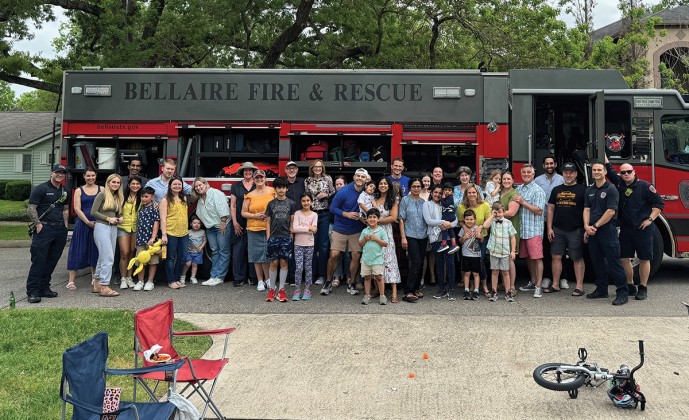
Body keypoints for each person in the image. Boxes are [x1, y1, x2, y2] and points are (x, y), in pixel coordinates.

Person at [605, 158, 664, 300]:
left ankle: (643, 287)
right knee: (624, 257)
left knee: (644, 258)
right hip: (626, 228)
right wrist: (603, 151)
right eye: (623, 172)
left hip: (643, 229)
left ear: (634, 172)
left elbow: (659, 203)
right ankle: (630, 284)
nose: (626, 174)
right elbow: (609, 168)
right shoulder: (619, 183)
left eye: (629, 172)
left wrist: (650, 220)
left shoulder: (645, 186)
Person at [584, 161, 628, 306]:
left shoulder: (611, 189)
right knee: (597, 261)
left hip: (607, 230)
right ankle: (602, 289)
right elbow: (587, 209)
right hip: (592, 231)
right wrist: (586, 226)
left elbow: (611, 211)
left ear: (605, 172)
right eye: (594, 170)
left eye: (599, 170)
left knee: (614, 261)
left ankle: (622, 292)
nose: (596, 172)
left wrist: (595, 226)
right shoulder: (589, 190)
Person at [26, 164, 70, 303]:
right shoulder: (40, 189)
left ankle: (44, 288)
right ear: (51, 173)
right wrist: (38, 224)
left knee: (51, 261)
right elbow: (31, 208)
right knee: (39, 261)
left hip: (60, 230)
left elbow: (65, 209)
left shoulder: (65, 190)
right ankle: (33, 291)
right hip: (44, 229)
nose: (60, 175)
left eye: (62, 173)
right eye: (57, 172)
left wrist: (65, 226)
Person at [324, 168, 368, 296]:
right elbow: (332, 207)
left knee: (356, 255)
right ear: (354, 177)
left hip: (357, 229)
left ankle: (352, 282)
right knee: (334, 254)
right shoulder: (344, 191)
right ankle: (328, 281)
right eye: (358, 176)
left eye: (363, 177)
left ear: (366, 179)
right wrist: (346, 214)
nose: (360, 179)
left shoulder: (367, 192)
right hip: (340, 227)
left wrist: (364, 218)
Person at [545, 162, 586, 296]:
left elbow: (587, 210)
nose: (568, 175)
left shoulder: (582, 190)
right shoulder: (556, 190)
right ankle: (555, 284)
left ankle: (579, 286)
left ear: (576, 174)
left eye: (571, 172)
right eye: (565, 172)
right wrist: (549, 228)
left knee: (577, 258)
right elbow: (550, 209)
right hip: (558, 229)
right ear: (562, 174)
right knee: (556, 256)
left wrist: (585, 227)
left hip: (576, 229)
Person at [515, 164, 547, 298]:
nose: (526, 174)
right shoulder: (519, 189)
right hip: (523, 231)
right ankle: (533, 282)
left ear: (533, 174)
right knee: (528, 258)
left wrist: (523, 202)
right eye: (524, 172)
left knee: (537, 258)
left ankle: (539, 286)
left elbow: (539, 211)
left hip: (534, 230)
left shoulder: (538, 190)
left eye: (529, 172)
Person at [193, 177, 231, 287]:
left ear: (206, 184)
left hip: (222, 226)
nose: (199, 188)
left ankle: (220, 277)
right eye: (196, 186)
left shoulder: (215, 193)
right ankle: (213, 276)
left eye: (200, 185)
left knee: (223, 251)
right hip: (211, 228)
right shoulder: (200, 200)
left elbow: (223, 207)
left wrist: (223, 222)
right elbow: (200, 214)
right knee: (215, 251)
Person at [91, 173, 124, 297]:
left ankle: (97, 283)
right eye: (113, 182)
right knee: (109, 258)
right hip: (102, 227)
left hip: (113, 228)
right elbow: (93, 212)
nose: (115, 184)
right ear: (108, 182)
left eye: (118, 183)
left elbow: (118, 213)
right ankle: (105, 286)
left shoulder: (118, 197)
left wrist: (119, 218)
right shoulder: (102, 194)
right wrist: (108, 218)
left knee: (103, 256)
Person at [66, 167, 99, 291]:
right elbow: (77, 209)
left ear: (96, 176)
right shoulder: (79, 190)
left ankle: (94, 278)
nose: (90, 178)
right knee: (77, 249)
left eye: (93, 176)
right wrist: (87, 222)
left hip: (97, 224)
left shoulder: (102, 189)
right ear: (84, 177)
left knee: (95, 250)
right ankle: (71, 281)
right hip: (82, 224)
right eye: (88, 176)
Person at [241, 169, 275, 291]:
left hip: (269, 227)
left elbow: (277, 206)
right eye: (257, 178)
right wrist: (255, 216)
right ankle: (260, 281)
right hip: (253, 228)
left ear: (265, 178)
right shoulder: (250, 195)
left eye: (262, 177)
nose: (260, 180)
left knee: (267, 255)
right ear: (254, 180)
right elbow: (243, 212)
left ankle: (268, 279)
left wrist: (269, 215)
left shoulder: (272, 192)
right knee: (256, 256)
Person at [423, 184, 458, 300]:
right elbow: (428, 221)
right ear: (431, 193)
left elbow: (454, 219)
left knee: (450, 263)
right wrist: (443, 222)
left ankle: (451, 288)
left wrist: (449, 224)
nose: (437, 194)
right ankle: (441, 288)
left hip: (447, 237)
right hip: (435, 238)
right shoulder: (427, 204)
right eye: (435, 192)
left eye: (439, 192)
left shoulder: (446, 203)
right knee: (439, 263)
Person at [534, 155, 564, 288]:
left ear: (555, 164)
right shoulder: (537, 180)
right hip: (542, 220)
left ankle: (563, 278)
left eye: (551, 163)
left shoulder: (562, 179)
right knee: (545, 249)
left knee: (560, 249)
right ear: (543, 166)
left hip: (559, 219)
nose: (549, 166)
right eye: (547, 164)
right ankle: (546, 277)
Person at [304, 159, 335, 285]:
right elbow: (306, 196)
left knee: (323, 245)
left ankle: (322, 274)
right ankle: (311, 274)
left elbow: (333, 193)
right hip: (311, 214)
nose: (318, 169)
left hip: (324, 214)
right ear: (312, 168)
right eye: (315, 167)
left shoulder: (328, 179)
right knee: (312, 244)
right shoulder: (307, 180)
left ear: (322, 168)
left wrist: (325, 195)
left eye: (320, 167)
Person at [264, 176, 295, 302]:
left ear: (286, 189)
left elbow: (292, 219)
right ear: (275, 189)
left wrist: (291, 234)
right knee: (273, 263)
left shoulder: (291, 203)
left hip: (286, 237)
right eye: (278, 188)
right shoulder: (271, 204)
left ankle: (281, 290)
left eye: (283, 187)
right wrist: (268, 236)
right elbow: (267, 222)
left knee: (284, 263)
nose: (281, 190)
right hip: (274, 237)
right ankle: (272, 289)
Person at [457, 185, 491, 296]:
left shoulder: (485, 205)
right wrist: (466, 228)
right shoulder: (461, 206)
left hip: (480, 236)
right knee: (469, 263)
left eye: (474, 192)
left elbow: (488, 221)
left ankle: (484, 285)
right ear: (466, 194)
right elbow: (461, 221)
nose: (472, 195)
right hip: (467, 237)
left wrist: (480, 229)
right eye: (469, 193)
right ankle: (471, 286)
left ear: (477, 194)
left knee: (479, 261)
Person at [399, 178, 428, 303]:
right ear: (410, 187)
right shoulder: (405, 200)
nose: (416, 188)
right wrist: (403, 237)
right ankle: (408, 291)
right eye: (414, 186)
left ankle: (416, 289)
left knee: (421, 263)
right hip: (410, 235)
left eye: (418, 186)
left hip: (423, 235)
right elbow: (401, 219)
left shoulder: (424, 202)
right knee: (415, 262)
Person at [373, 177, 401, 303]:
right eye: (381, 183)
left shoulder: (393, 200)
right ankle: (378, 289)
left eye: (385, 183)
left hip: (386, 232)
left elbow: (393, 217)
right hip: (374, 232)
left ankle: (394, 292)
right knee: (376, 259)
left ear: (389, 186)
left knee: (390, 260)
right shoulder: (374, 199)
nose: (383, 185)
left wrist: (377, 221)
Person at [230, 162, 258, 286]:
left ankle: (253, 277)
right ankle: (239, 278)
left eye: (250, 170)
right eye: (245, 170)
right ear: (242, 172)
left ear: (253, 172)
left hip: (254, 222)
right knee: (238, 252)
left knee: (253, 250)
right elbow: (233, 205)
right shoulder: (236, 186)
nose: (248, 172)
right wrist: (235, 222)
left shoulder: (258, 184)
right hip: (240, 223)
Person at [483, 202, 517, 302]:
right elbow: (485, 226)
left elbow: (513, 237)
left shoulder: (508, 223)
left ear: (504, 212)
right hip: (494, 251)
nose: (498, 215)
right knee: (494, 271)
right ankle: (494, 292)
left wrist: (513, 251)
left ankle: (508, 292)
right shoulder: (492, 221)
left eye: (500, 212)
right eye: (496, 213)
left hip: (505, 251)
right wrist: (491, 215)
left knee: (505, 272)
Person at [160, 175, 189, 290]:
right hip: (171, 232)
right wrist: (164, 234)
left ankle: (177, 279)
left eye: (179, 184)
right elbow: (163, 218)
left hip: (184, 233)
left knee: (182, 257)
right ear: (170, 186)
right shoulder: (165, 200)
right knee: (170, 258)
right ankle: (171, 280)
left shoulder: (184, 199)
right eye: (174, 184)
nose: (177, 186)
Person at [498, 171, 521, 297]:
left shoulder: (514, 194)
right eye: (504, 179)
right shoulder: (501, 193)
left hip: (510, 230)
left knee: (509, 259)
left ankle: (511, 286)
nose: (506, 181)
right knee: (501, 257)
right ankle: (504, 283)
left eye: (508, 179)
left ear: (513, 180)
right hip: (499, 231)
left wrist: (494, 212)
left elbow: (512, 212)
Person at [132, 187, 160, 291]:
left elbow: (156, 223)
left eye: (146, 197)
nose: (143, 199)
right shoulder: (140, 207)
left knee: (153, 261)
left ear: (152, 197)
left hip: (151, 240)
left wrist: (153, 237)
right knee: (140, 260)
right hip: (140, 239)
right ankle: (140, 281)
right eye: (142, 196)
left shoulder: (154, 208)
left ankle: (150, 281)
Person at [359, 208, 389, 305]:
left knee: (379, 277)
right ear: (367, 219)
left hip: (377, 258)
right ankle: (367, 295)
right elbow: (360, 244)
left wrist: (376, 239)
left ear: (378, 219)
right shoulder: (364, 231)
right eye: (370, 217)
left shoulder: (381, 231)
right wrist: (365, 239)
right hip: (366, 259)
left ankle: (382, 295)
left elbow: (385, 243)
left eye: (374, 217)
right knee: (367, 277)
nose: (372, 219)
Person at [117, 176, 142, 289]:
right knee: (124, 253)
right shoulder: (122, 197)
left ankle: (129, 277)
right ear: (129, 185)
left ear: (140, 186)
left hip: (136, 228)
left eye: (137, 184)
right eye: (133, 184)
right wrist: (118, 216)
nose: (135, 186)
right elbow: (115, 209)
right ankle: (122, 278)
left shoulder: (142, 197)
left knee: (132, 252)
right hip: (123, 227)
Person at [292, 193, 318, 301]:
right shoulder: (297, 213)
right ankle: (297, 289)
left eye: (308, 200)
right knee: (299, 267)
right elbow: (294, 228)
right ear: (300, 202)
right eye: (303, 201)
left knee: (308, 267)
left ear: (311, 202)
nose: (306, 203)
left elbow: (315, 229)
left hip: (309, 244)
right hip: (298, 244)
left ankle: (307, 289)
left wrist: (301, 227)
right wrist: (308, 228)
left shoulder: (314, 215)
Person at [284, 160, 305, 285]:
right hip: (286, 220)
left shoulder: (303, 182)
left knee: (301, 248)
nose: (292, 170)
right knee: (289, 248)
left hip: (301, 219)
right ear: (286, 170)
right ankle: (290, 276)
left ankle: (300, 276)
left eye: (294, 168)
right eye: (289, 168)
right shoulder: (282, 183)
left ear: (297, 170)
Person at [331, 176, 352, 287]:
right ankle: (337, 276)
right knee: (336, 254)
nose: (339, 186)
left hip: (349, 228)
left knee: (348, 254)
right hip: (336, 227)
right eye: (337, 184)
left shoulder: (350, 195)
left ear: (346, 185)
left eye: (341, 184)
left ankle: (348, 275)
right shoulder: (333, 197)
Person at [459, 209, 483, 300]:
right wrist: (464, 237)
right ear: (464, 220)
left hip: (476, 256)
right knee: (467, 273)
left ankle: (476, 290)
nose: (469, 221)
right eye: (467, 219)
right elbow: (460, 242)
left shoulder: (477, 228)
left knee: (476, 273)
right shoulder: (463, 229)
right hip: (466, 255)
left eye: (471, 219)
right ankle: (466, 290)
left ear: (475, 220)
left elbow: (482, 241)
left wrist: (480, 237)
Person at [181, 215, 206, 285]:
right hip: (189, 251)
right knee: (187, 264)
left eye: (198, 223)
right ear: (191, 224)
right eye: (194, 223)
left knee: (195, 265)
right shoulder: (188, 232)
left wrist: (201, 247)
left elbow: (204, 240)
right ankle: (183, 276)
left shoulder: (203, 232)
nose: (196, 225)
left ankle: (193, 277)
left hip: (198, 252)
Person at [438, 182, 460, 254]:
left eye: (449, 190)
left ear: (452, 192)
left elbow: (446, 204)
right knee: (450, 230)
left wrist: (441, 199)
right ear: (443, 191)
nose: (447, 191)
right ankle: (453, 244)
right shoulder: (447, 198)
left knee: (443, 229)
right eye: (446, 190)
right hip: (449, 216)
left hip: (448, 216)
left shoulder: (450, 198)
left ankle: (444, 244)